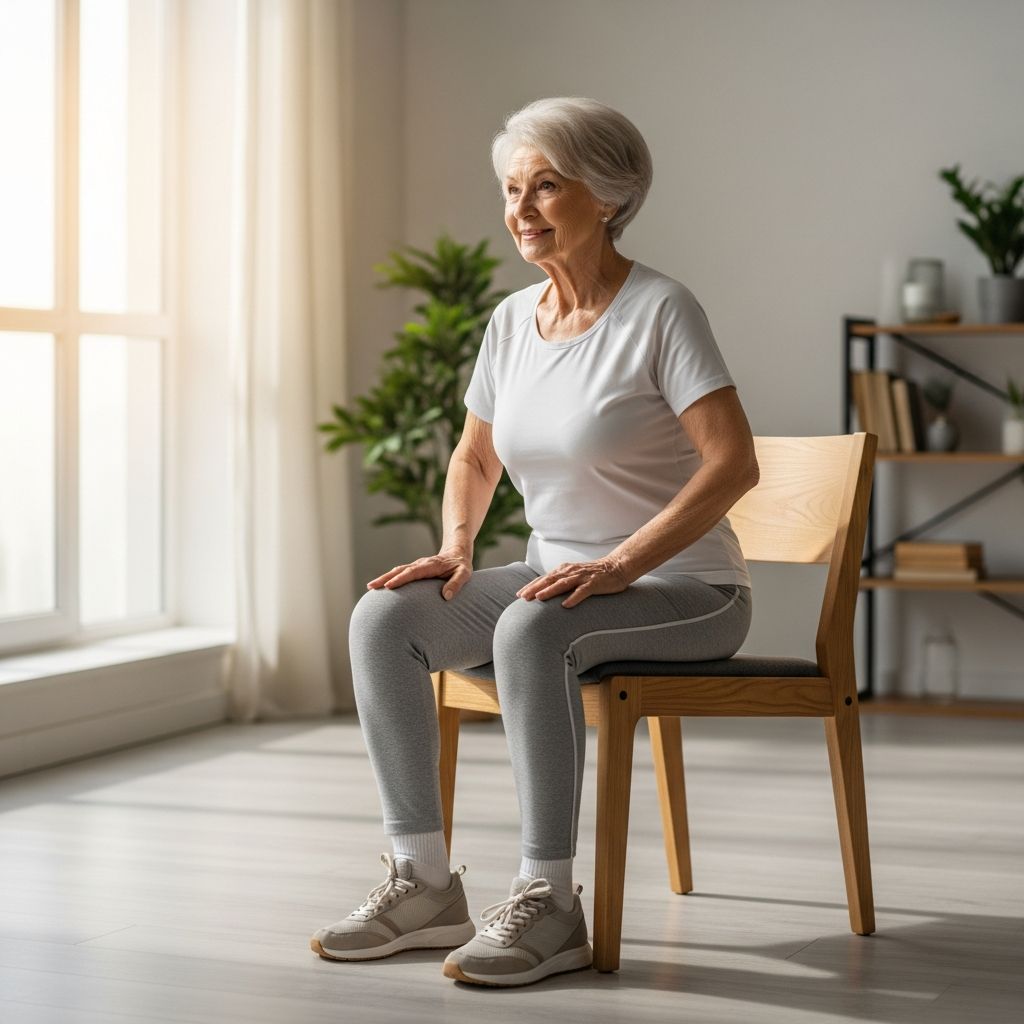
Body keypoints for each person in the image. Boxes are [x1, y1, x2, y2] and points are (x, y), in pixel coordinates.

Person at [310, 96, 759, 988]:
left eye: (546, 186)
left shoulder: (661, 311)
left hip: (689, 591)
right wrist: (456, 547)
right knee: (383, 617)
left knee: (530, 625)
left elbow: (734, 463)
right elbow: (475, 457)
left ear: (610, 196)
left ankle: (549, 900)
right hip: (558, 583)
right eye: (512, 189)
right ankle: (423, 883)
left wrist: (621, 564)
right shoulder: (513, 320)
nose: (521, 208)